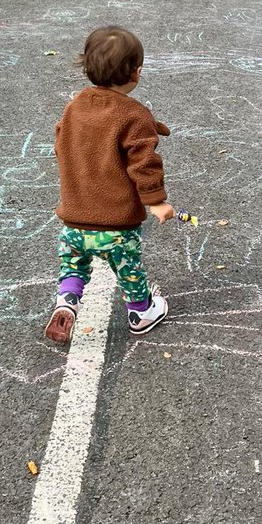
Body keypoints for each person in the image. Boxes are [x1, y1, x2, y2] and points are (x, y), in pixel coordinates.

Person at [43, 26, 174, 344]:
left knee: (74, 265)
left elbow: (62, 142)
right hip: (115, 226)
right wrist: (155, 201)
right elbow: (144, 163)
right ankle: (141, 311)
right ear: (136, 72)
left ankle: (67, 302)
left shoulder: (76, 105)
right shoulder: (134, 114)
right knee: (129, 269)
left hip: (74, 220)